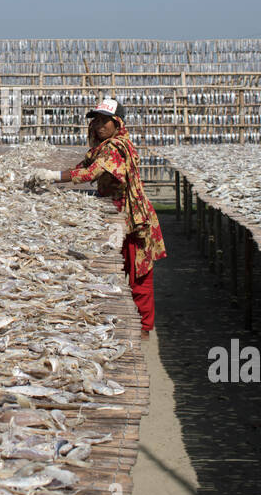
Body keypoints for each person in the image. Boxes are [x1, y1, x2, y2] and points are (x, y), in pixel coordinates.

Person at [33, 98, 166, 337]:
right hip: (117, 211)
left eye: (106, 121)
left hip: (132, 216)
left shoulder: (115, 147)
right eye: (97, 120)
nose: (100, 126)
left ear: (118, 123)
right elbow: (83, 164)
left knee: (139, 271)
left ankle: (144, 328)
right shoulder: (101, 147)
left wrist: (52, 175)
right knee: (122, 266)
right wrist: (53, 176)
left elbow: (91, 172)